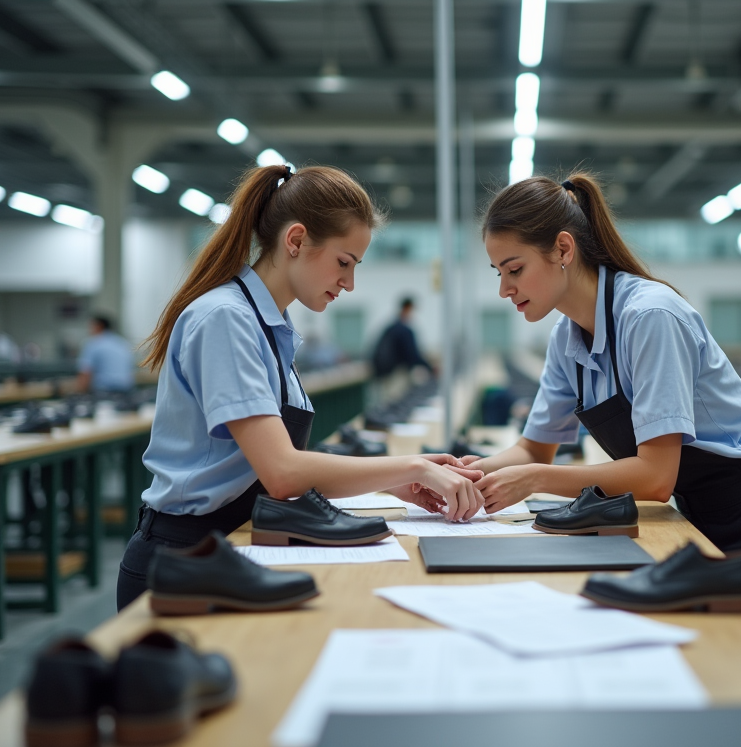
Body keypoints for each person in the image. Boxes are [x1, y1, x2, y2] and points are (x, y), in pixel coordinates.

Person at [464, 172, 741, 636]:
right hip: (691, 523)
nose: (504, 289)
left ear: (563, 251)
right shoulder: (566, 337)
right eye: (498, 273)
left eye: (515, 269)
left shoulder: (649, 317)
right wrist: (470, 474)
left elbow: (655, 476)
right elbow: (534, 450)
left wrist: (533, 481)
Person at [116, 164, 484, 609]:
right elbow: (282, 471)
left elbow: (275, 467)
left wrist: (396, 480)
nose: (349, 283)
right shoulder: (226, 320)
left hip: (234, 546)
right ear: (295, 241)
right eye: (343, 263)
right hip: (187, 559)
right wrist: (411, 468)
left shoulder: (268, 325)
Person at [372, 297, 433, 379]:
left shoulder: (390, 328)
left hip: (382, 373)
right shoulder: (404, 331)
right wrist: (431, 368)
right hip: (394, 374)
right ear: (407, 309)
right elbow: (413, 355)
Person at [76, 315, 135, 394]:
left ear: (99, 326)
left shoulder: (93, 343)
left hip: (104, 391)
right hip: (126, 390)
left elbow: (85, 373)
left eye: (91, 326)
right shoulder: (122, 343)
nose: (89, 330)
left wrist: (80, 393)